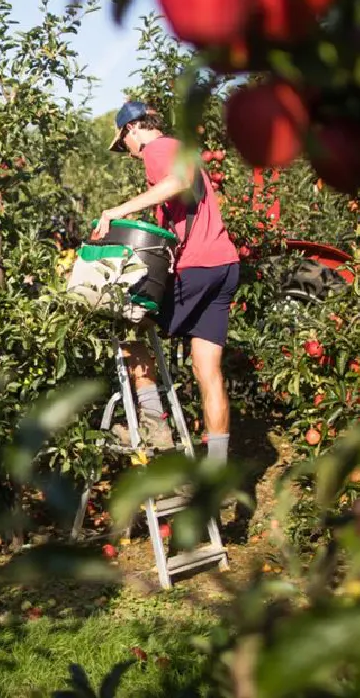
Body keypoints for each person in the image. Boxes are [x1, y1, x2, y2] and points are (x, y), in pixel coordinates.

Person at [91, 101, 240, 467]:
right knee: (207, 370)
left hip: (199, 266)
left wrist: (117, 211)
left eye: (123, 142)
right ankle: (218, 469)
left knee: (129, 324)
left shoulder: (157, 149)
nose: (126, 151)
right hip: (225, 265)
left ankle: (155, 422)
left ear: (131, 130)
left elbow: (178, 182)